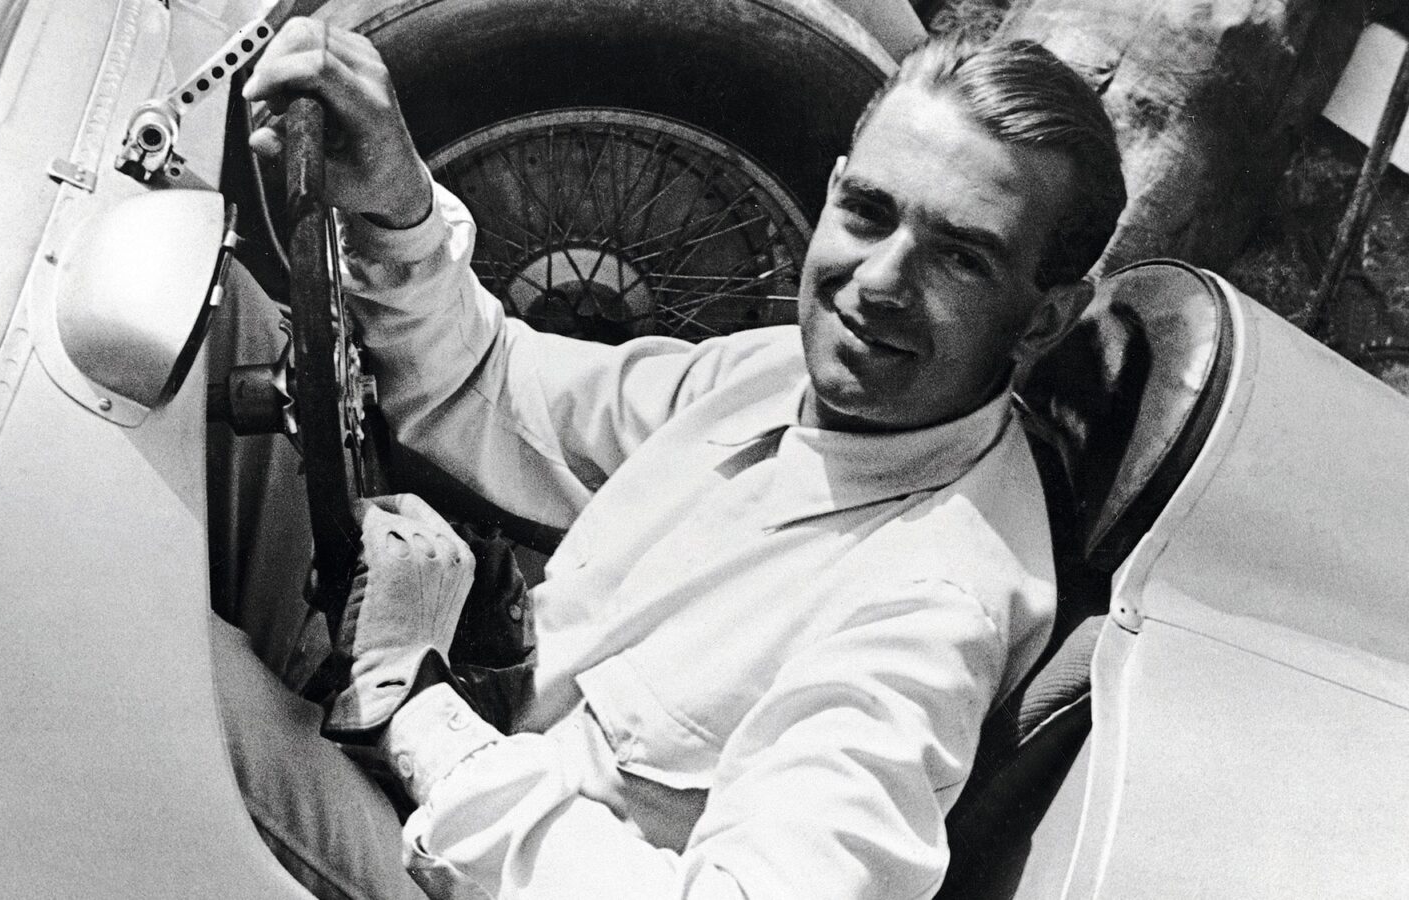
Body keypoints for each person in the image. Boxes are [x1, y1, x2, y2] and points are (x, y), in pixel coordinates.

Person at [214, 15, 1127, 900]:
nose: (879, 282)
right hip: (442, 731)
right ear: (834, 189)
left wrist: (414, 705)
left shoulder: (929, 609)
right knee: (208, 317)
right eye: (868, 212)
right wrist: (395, 200)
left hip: (446, 855)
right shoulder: (783, 372)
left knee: (174, 664)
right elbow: (498, 390)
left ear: (1044, 316)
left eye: (960, 259)